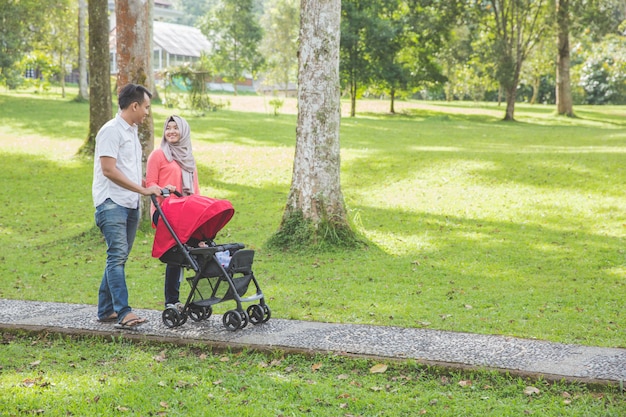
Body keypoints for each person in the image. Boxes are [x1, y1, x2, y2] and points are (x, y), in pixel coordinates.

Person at [92, 83, 162, 329]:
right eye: (146, 107)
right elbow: (109, 170)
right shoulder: (111, 131)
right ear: (134, 105)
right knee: (117, 257)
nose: (147, 113)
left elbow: (127, 170)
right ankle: (123, 312)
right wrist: (142, 190)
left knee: (117, 258)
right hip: (111, 204)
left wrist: (151, 186)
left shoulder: (131, 131)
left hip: (129, 203)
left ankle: (106, 310)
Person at [146, 115, 200, 312]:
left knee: (200, 248)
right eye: (168, 128)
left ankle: (199, 298)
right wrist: (162, 188)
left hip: (184, 212)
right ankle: (171, 300)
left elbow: (195, 190)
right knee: (176, 252)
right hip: (164, 211)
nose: (171, 131)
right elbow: (149, 183)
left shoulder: (188, 157)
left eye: (176, 128)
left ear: (183, 131)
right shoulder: (158, 155)